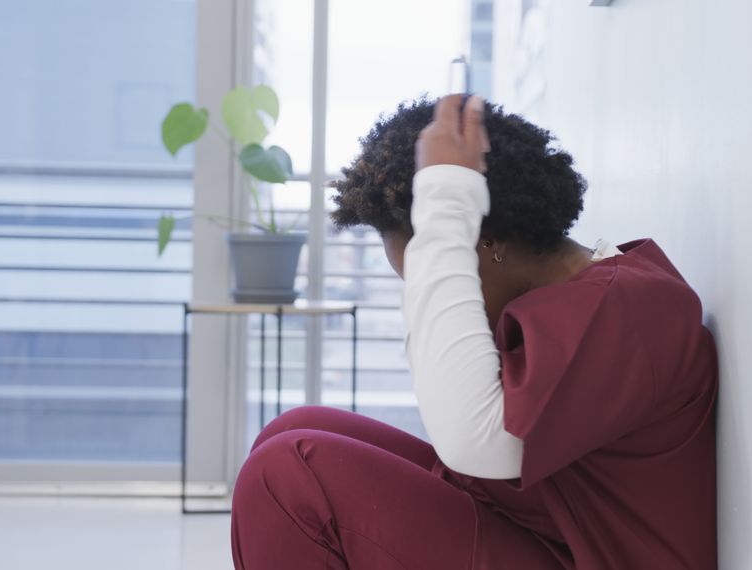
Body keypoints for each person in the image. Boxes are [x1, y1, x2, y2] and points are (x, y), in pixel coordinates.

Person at [231, 95, 718, 569]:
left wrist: (446, 209)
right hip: (543, 531)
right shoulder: (578, 299)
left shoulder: (626, 309)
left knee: (288, 475)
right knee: (292, 428)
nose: (441, 298)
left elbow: (474, 442)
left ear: (484, 243)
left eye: (442, 274)